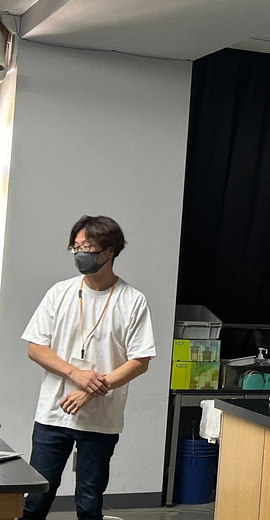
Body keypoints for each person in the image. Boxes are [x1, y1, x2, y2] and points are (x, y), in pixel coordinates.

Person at [21, 216, 156, 520]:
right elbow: (35, 348)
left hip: (100, 418)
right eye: (76, 247)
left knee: (89, 501)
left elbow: (140, 361)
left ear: (110, 251)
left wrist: (90, 390)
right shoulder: (59, 293)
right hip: (53, 413)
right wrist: (74, 374)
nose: (80, 253)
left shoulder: (133, 301)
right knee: (36, 500)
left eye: (89, 247)